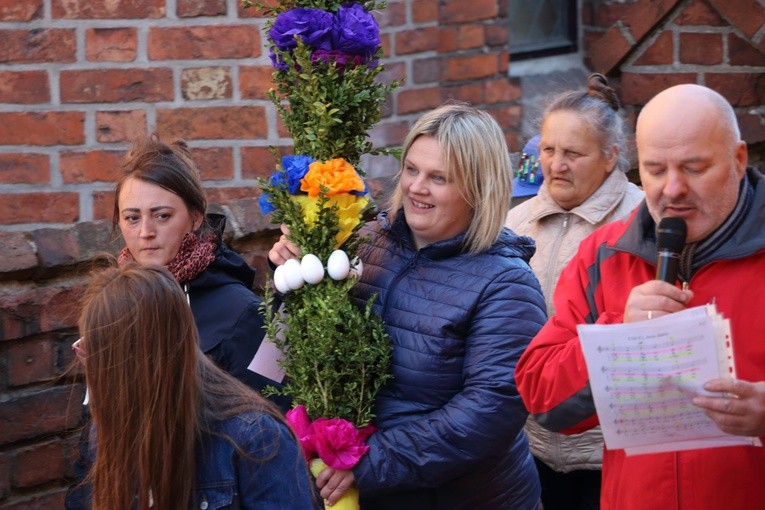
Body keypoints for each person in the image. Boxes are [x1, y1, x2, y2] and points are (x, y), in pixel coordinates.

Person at [269, 102, 547, 509]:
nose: (417, 187)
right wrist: (290, 278)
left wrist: (368, 463)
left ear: (477, 188)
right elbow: (301, 344)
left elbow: (489, 413)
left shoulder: (506, 283)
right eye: (412, 169)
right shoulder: (364, 242)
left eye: (439, 178)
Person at [515, 83, 765, 509]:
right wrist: (618, 339)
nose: (672, 189)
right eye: (654, 169)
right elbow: (543, 401)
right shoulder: (604, 255)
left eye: (694, 167)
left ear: (738, 159)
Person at [505, 74, 644, 510]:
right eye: (548, 149)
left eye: (573, 153)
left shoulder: (642, 222)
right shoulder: (514, 223)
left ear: (610, 157)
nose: (556, 164)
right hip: (528, 450)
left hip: (612, 452)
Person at [71, 264, 317, 509]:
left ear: (139, 363)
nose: (86, 363)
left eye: (96, 353)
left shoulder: (256, 439)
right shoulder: (107, 432)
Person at [112, 133, 284, 400]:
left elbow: (273, 423)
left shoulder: (242, 312)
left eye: (162, 216)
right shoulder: (114, 305)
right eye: (132, 217)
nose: (146, 231)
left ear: (194, 218)